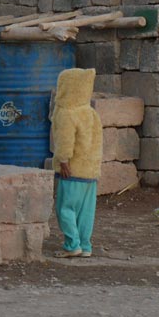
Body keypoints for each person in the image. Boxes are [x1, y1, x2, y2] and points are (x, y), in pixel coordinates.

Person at [49, 68, 102, 259]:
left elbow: (64, 141)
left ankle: (72, 245)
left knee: (65, 208)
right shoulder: (90, 112)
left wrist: (63, 161)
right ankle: (85, 246)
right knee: (86, 212)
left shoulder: (66, 112)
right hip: (90, 172)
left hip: (72, 170)